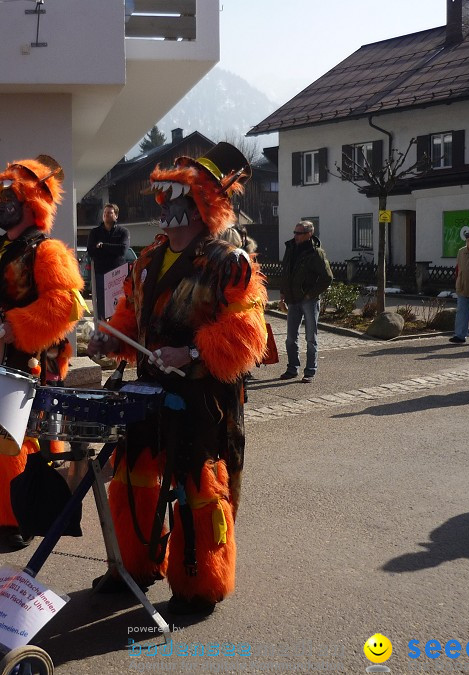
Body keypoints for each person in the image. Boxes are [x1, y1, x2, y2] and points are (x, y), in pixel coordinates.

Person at [87, 142, 268, 615]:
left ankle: (199, 582)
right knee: (134, 477)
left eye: (173, 199)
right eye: (161, 198)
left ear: (202, 203)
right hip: (148, 390)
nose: (162, 206)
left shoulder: (229, 261)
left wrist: (189, 351)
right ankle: (135, 565)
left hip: (203, 395)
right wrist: (113, 340)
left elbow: (248, 335)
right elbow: (131, 318)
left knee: (199, 486)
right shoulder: (147, 261)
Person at [0, 155, 84, 548]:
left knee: (30, 440)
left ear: (30, 202)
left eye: (11, 197)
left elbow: (66, 305)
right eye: (0, 197)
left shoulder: (47, 251)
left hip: (35, 361)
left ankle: (31, 514)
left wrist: (18, 326)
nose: (2, 205)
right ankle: (8, 510)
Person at [278, 220, 333, 383]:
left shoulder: (316, 253)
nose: (295, 236)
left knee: (311, 338)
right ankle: (292, 368)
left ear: (309, 234)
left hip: (308, 301)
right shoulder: (290, 248)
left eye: (299, 233)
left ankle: (310, 371)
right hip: (293, 299)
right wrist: (282, 294)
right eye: (294, 232)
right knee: (290, 338)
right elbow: (285, 272)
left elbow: (327, 278)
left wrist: (310, 294)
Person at [86, 202, 130, 320]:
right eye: (105, 213)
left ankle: (116, 331)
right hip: (101, 273)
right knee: (101, 303)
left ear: (116, 215)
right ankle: (102, 329)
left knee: (118, 304)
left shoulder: (123, 232)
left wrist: (103, 246)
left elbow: (122, 250)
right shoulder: (95, 232)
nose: (106, 215)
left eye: (110, 213)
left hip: (117, 275)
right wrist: (111, 249)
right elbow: (91, 251)